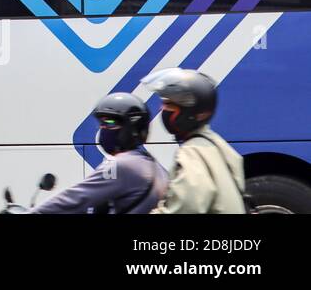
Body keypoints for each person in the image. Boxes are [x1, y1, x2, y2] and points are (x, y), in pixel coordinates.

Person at [31, 92, 167, 214]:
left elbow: (75, 198)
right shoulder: (155, 167)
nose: (103, 128)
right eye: (101, 123)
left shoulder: (122, 165)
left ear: (131, 127)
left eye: (110, 122)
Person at [145, 68, 247, 214]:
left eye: (169, 105)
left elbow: (187, 208)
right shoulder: (215, 144)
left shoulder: (191, 153)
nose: (163, 109)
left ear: (192, 113)